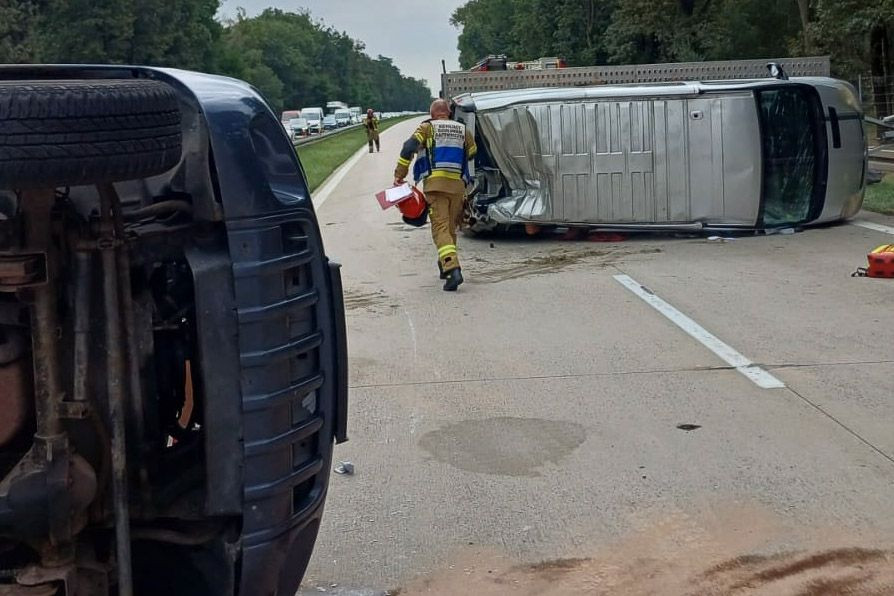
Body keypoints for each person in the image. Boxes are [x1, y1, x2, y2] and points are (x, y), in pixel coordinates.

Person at [393, 99, 476, 291]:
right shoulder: (463, 129)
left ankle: (453, 269)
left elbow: (408, 148)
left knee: (439, 228)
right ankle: (444, 264)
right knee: (449, 227)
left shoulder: (426, 128)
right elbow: (472, 152)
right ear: (449, 113)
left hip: (436, 185)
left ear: (432, 114)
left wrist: (399, 175)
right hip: (458, 186)